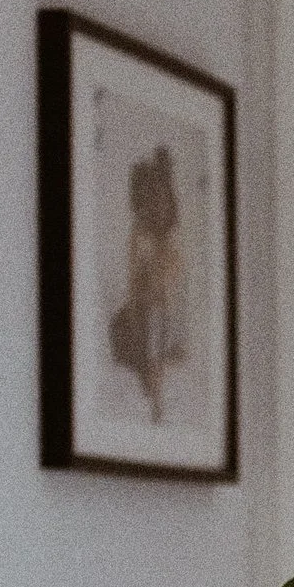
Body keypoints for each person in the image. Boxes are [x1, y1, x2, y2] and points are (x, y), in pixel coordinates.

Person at [106, 143, 185, 421]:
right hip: (142, 316)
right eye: (152, 204)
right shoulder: (141, 237)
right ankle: (151, 382)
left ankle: (154, 380)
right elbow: (140, 287)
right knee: (148, 317)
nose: (159, 209)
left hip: (158, 316)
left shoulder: (169, 244)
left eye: (164, 202)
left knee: (158, 318)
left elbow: (169, 287)